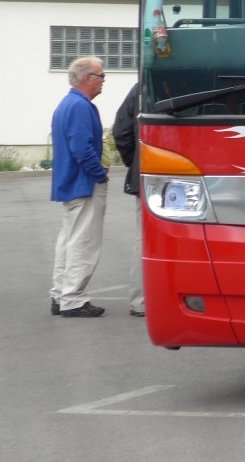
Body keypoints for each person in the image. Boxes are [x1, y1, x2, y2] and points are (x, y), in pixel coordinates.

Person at [49, 57, 110, 317]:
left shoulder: (69, 103)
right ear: (88, 79)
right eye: (101, 76)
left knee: (69, 239)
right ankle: (73, 299)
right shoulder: (80, 106)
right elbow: (81, 148)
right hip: (84, 182)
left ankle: (61, 294)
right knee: (83, 241)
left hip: (71, 182)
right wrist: (100, 175)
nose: (103, 80)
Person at [112, 81, 145, 318]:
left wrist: (136, 163)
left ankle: (140, 301)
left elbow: (121, 132)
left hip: (148, 175)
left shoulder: (141, 88)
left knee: (146, 238)